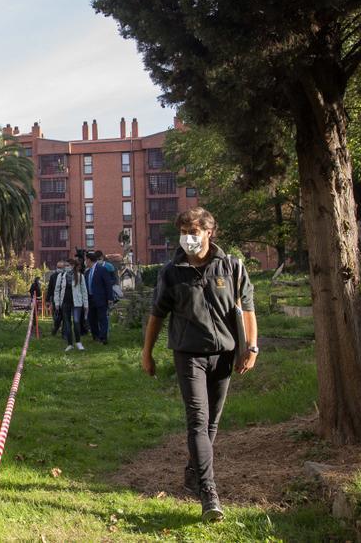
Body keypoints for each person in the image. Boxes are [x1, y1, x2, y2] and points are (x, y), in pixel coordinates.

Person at [141, 207, 258, 522]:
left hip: (223, 356)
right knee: (197, 421)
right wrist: (147, 352)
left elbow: (247, 308)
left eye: (193, 232)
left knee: (211, 424)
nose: (188, 238)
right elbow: (157, 314)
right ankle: (209, 493)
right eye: (183, 232)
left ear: (209, 232)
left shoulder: (231, 267)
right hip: (188, 355)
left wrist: (252, 347)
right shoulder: (172, 271)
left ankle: (193, 472)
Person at [49, 256, 88, 351]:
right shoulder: (61, 276)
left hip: (77, 303)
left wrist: (86, 304)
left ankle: (78, 342)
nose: (67, 267)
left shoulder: (80, 276)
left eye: (69, 265)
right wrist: (57, 303)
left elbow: (84, 291)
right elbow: (57, 290)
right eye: (66, 265)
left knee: (76, 322)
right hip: (65, 302)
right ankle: (70, 344)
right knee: (67, 323)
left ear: (73, 266)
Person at [86, 251, 119, 344]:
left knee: (102, 318)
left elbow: (108, 284)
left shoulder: (102, 269)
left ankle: (103, 338)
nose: (85, 262)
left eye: (86, 260)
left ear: (89, 260)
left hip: (100, 298)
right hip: (90, 299)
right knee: (92, 319)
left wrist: (110, 298)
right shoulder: (87, 272)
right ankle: (95, 336)